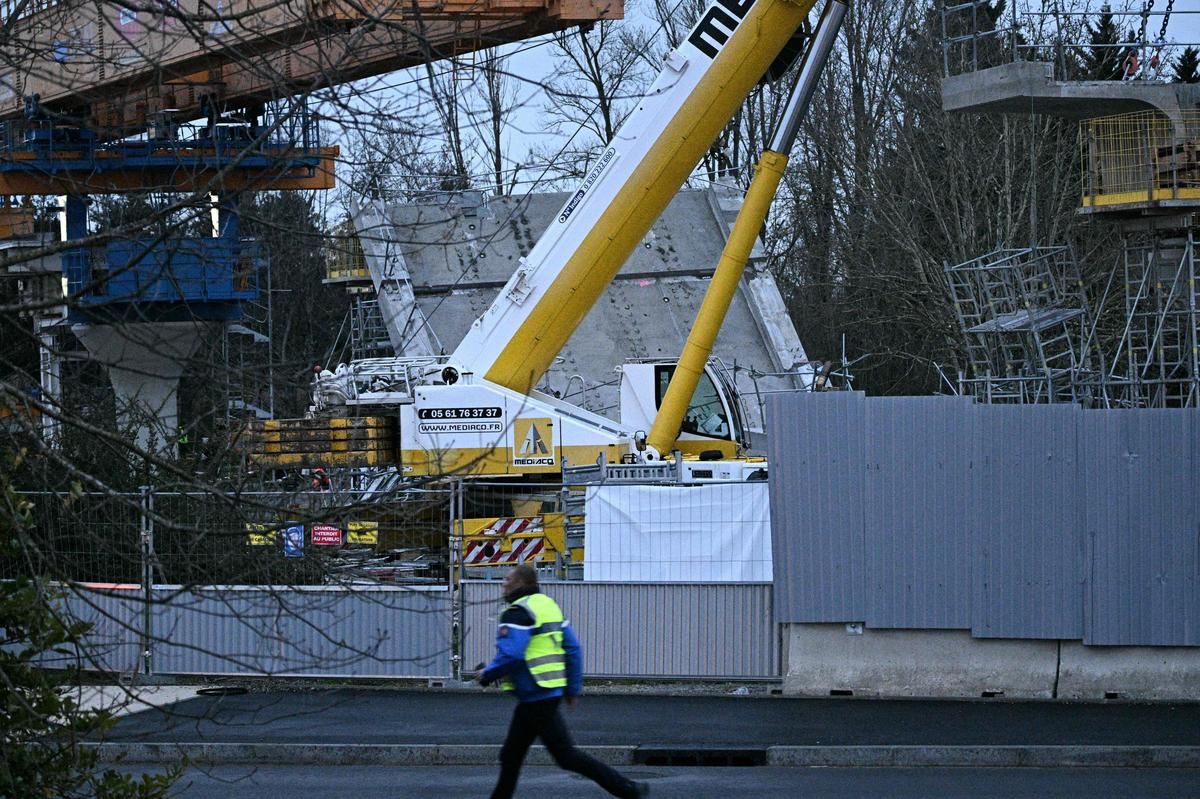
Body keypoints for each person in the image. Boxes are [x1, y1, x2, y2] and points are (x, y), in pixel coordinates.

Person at [478, 565, 649, 799]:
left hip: (536, 696)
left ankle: (628, 789)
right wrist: (572, 688)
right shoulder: (548, 606)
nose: (503, 583)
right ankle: (627, 789)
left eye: (507, 579)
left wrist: (487, 674)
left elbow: (513, 654)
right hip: (543, 694)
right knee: (511, 756)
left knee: (565, 756)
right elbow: (573, 648)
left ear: (520, 584)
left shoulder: (516, 612)